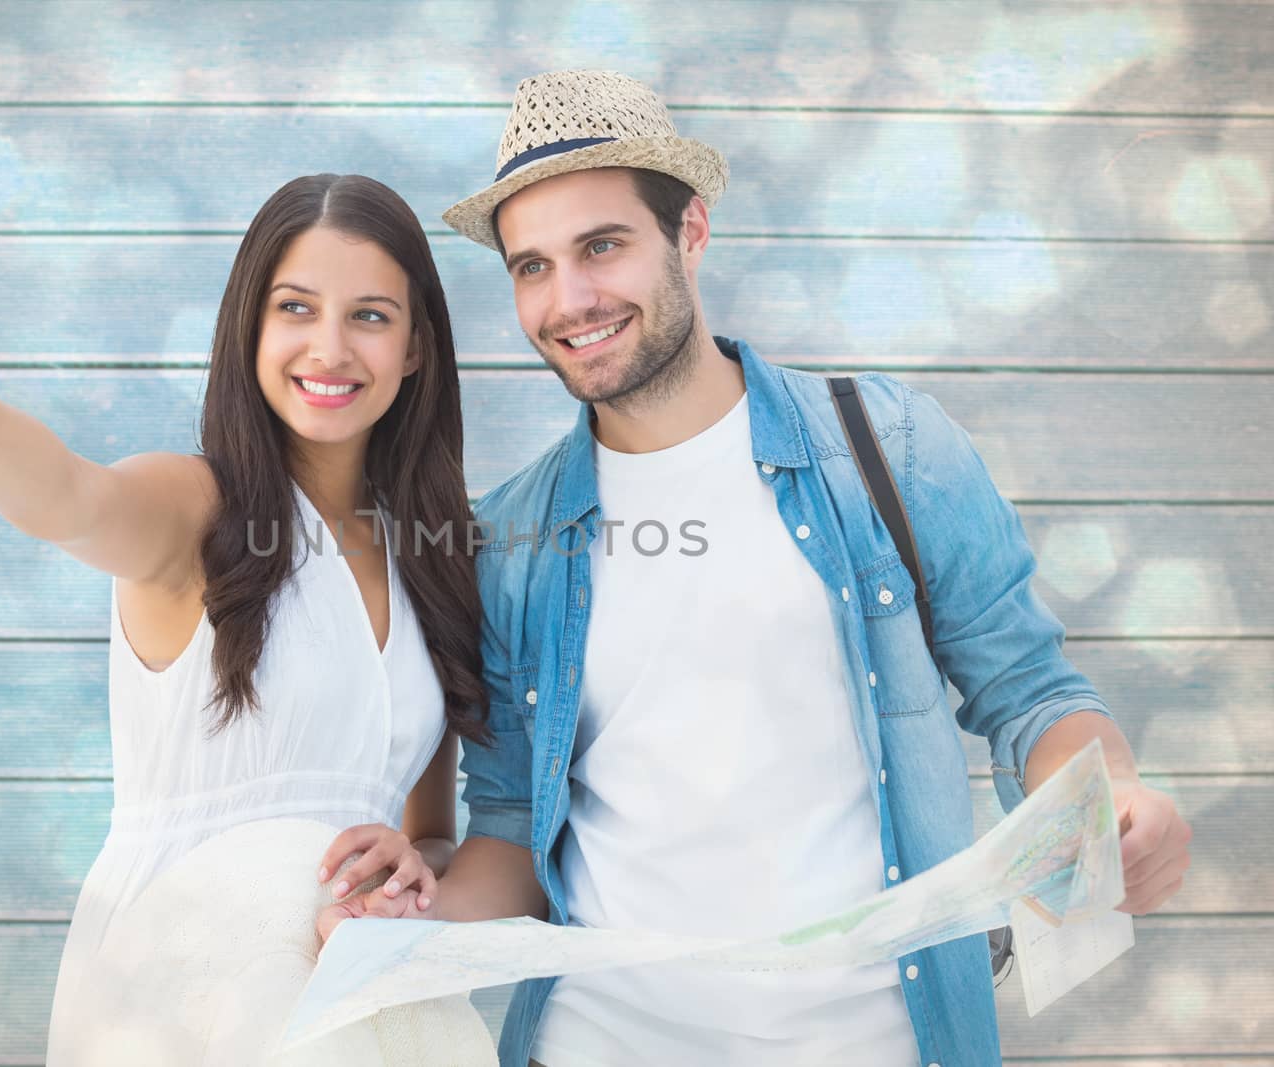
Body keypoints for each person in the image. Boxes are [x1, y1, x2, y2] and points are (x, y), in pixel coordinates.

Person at [316, 71, 1194, 1067]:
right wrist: (409, 918)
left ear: (689, 231)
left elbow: (1030, 692)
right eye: (532, 266)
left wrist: (1114, 793)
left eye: (602, 245)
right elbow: (514, 826)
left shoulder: (885, 448)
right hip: (599, 1039)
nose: (570, 299)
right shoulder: (509, 539)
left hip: (879, 1040)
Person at [0, 173, 498, 1065]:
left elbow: (427, 829)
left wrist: (415, 870)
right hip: (175, 991)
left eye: (369, 315)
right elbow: (68, 496)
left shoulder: (434, 558)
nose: (328, 348)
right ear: (250, 326)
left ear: (414, 348)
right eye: (296, 308)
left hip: (351, 994)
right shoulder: (196, 506)